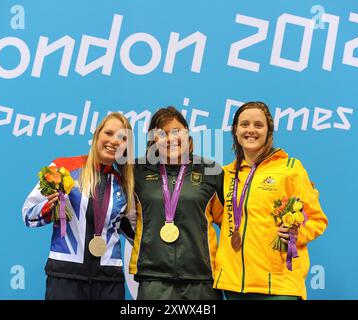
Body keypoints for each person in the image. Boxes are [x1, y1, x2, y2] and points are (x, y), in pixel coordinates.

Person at [213, 101, 328, 300]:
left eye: (258, 125)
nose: (251, 130)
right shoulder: (225, 174)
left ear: (269, 131)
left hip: (279, 286)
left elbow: (317, 219)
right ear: (235, 130)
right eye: (245, 124)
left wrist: (295, 233)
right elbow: (217, 216)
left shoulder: (290, 168)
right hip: (233, 286)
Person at [22, 112, 135, 300]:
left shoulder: (124, 184)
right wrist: (50, 208)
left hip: (109, 282)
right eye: (108, 133)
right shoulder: (63, 167)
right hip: (65, 278)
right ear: (97, 135)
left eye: (122, 138)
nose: (114, 141)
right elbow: (27, 214)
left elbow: (136, 233)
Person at [129, 106, 224, 300]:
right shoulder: (135, 171)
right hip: (153, 279)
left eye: (176, 131)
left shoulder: (211, 171)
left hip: (201, 279)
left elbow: (230, 222)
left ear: (187, 134)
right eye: (162, 134)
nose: (171, 139)